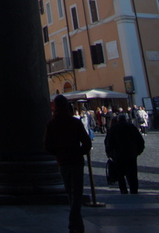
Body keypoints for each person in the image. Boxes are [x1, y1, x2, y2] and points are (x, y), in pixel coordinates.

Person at [45, 95, 91, 233]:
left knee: (70, 193)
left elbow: (47, 146)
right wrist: (78, 152)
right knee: (77, 193)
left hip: (63, 162)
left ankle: (76, 223)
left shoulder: (51, 124)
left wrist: (59, 154)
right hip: (76, 162)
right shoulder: (75, 122)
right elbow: (87, 142)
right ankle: (76, 223)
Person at [104, 113, 145, 194]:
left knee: (120, 175)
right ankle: (134, 190)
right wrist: (137, 152)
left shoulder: (114, 128)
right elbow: (140, 141)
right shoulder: (132, 127)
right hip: (131, 154)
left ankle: (123, 189)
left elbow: (108, 142)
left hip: (118, 155)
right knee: (132, 174)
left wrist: (109, 153)